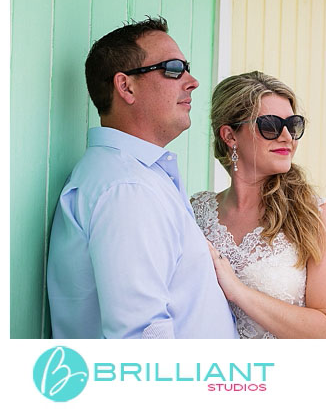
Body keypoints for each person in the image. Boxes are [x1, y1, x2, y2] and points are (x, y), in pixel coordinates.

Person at [47, 17, 237, 338]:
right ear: (126, 86)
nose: (192, 81)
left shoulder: (134, 176)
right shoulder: (126, 189)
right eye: (174, 68)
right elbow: (141, 336)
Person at [192, 71, 326, 338]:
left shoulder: (318, 216)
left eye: (293, 125)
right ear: (230, 136)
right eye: (271, 125)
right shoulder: (196, 212)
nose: (287, 136)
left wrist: (238, 291)